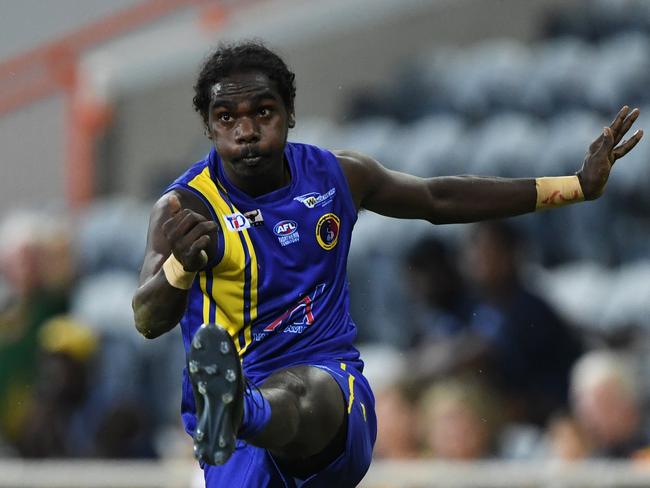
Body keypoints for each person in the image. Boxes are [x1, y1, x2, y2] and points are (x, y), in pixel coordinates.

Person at [131, 41, 643, 487]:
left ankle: (242, 408)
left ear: (289, 114)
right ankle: (237, 408)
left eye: (262, 112)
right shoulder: (184, 208)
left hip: (326, 388)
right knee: (264, 402)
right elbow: (147, 319)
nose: (245, 131)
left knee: (310, 387)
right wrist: (178, 268)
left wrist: (573, 186)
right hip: (234, 429)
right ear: (208, 125)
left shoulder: (336, 176)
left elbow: (437, 198)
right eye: (227, 118)